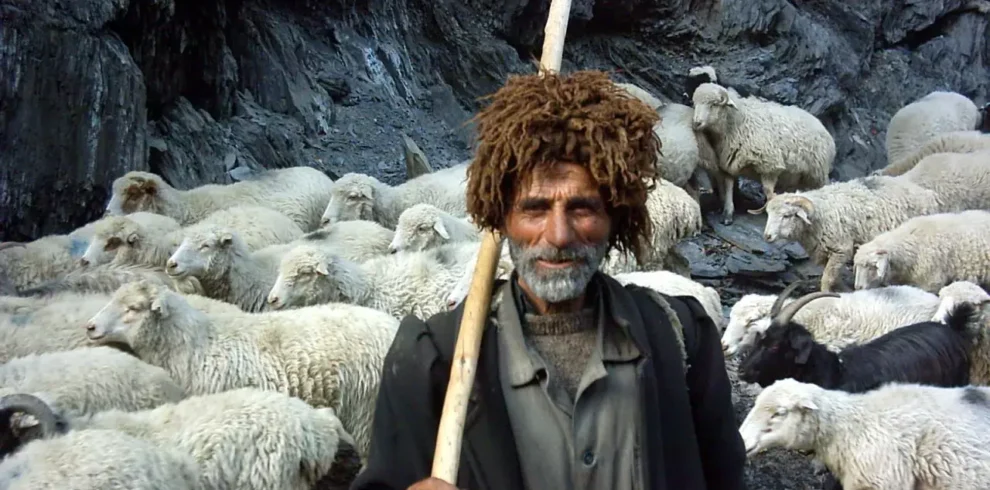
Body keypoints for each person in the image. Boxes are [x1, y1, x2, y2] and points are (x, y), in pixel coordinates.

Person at [350, 70, 747, 490]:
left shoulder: (681, 338)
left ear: (615, 215)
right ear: (501, 217)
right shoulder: (430, 359)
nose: (558, 236)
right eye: (535, 209)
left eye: (582, 208)